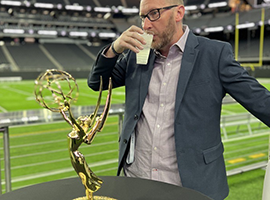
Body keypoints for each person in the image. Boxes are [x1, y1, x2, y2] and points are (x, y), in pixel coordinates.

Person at [87, 0, 270, 199]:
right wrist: (114, 48)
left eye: (154, 14)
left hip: (190, 186)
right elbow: (98, 82)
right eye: (143, 17)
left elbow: (262, 102)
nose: (145, 25)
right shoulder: (137, 53)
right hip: (137, 181)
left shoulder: (214, 54)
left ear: (178, 13)